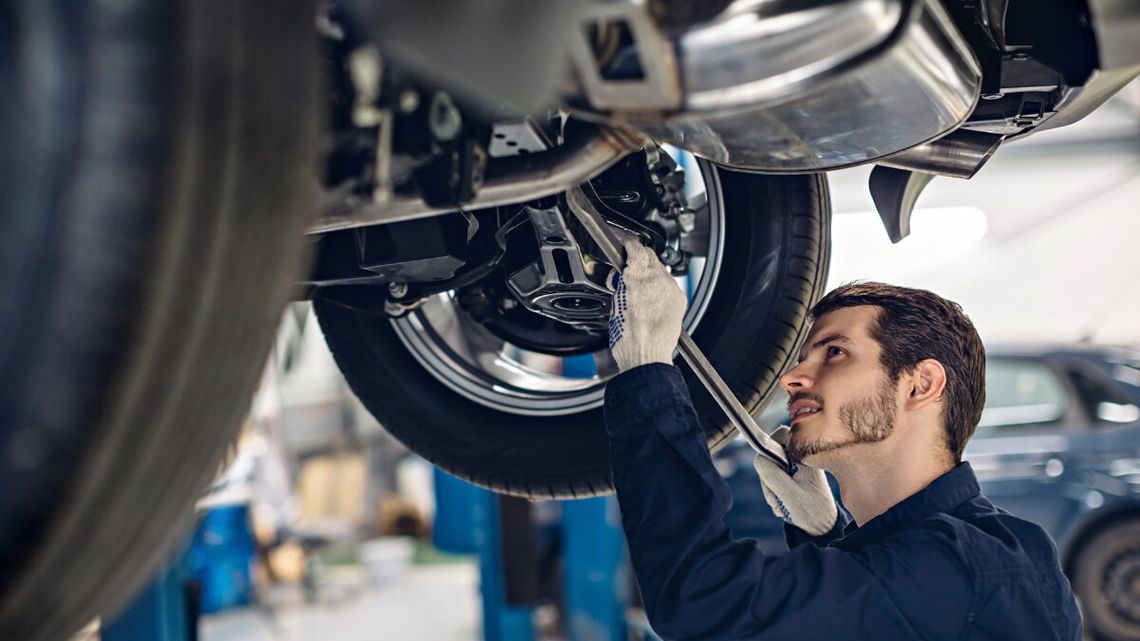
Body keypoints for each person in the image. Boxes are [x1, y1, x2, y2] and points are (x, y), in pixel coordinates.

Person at [604, 241, 1082, 640]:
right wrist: (826, 536)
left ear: (920, 385)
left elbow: (702, 602)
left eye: (835, 352)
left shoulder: (961, 565)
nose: (791, 376)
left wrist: (648, 371)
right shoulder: (989, 549)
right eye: (804, 356)